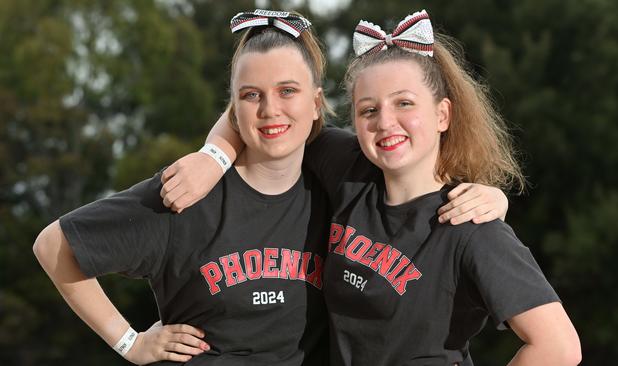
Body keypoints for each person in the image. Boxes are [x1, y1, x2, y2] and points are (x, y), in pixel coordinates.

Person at [159, 10, 581, 366]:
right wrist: (211, 159)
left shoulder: (472, 227)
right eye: (368, 110)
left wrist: (498, 197)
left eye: (404, 103)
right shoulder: (347, 169)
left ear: (442, 114)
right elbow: (261, 115)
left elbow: (560, 348)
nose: (385, 122)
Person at [33, 10, 334, 365]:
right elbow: (54, 245)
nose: (270, 109)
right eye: (252, 95)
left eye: (287, 91)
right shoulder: (187, 193)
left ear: (316, 103)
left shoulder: (337, 187)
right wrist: (130, 342)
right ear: (234, 110)